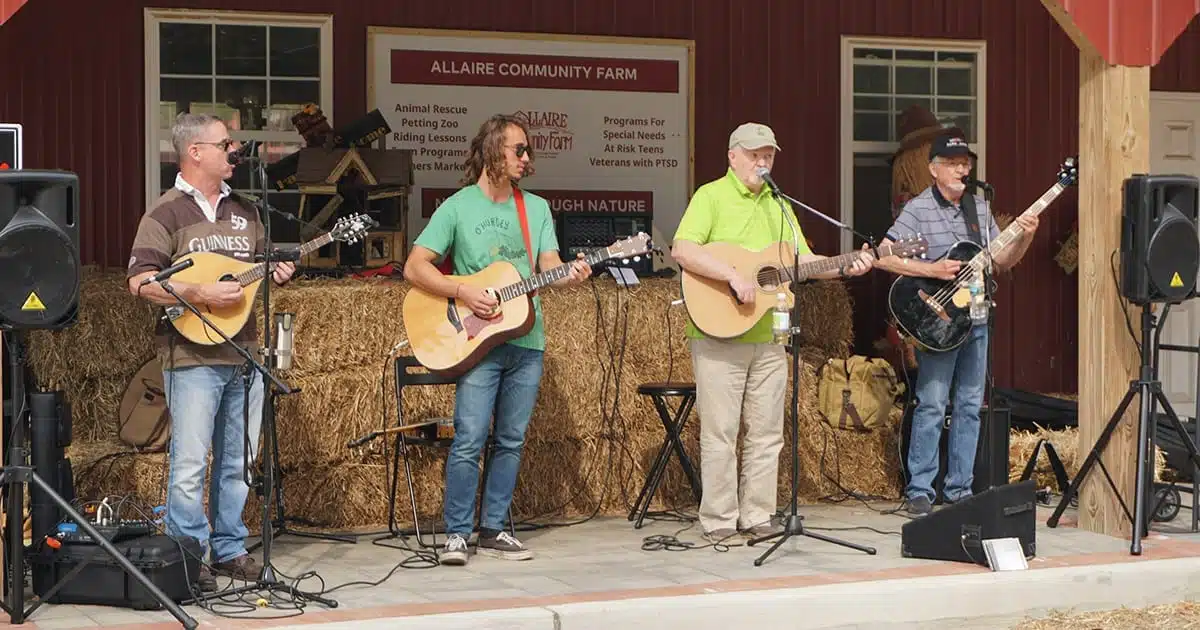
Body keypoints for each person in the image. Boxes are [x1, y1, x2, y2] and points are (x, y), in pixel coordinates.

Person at [403, 113, 592, 566]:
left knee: (511, 437)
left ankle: (492, 529)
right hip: (477, 341)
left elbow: (549, 266)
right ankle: (456, 533)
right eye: (519, 149)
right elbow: (415, 267)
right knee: (470, 436)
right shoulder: (458, 207)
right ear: (493, 152)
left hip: (527, 338)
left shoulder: (537, 209)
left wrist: (574, 276)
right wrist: (463, 290)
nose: (527, 158)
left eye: (528, 150)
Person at [670, 122, 874, 541]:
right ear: (732, 155)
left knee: (766, 432)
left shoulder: (779, 205)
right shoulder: (711, 196)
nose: (762, 162)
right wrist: (732, 276)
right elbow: (683, 250)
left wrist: (845, 264)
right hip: (718, 332)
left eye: (768, 156)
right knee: (721, 432)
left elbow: (803, 261)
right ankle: (720, 521)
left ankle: (757, 515)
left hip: (769, 334)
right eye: (754, 154)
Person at [126, 112, 295, 590]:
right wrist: (200, 293)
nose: (234, 152)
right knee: (190, 462)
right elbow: (139, 282)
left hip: (245, 353)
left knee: (238, 461)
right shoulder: (164, 213)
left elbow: (261, 267)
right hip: (192, 357)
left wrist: (276, 270)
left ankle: (229, 547)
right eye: (225, 145)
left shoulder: (246, 211)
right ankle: (187, 556)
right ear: (195, 151)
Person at [875, 134, 1039, 516]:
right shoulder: (917, 210)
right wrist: (930, 268)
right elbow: (884, 256)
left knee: (968, 404)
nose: (963, 169)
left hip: (977, 318)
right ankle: (920, 489)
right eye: (953, 162)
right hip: (938, 320)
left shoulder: (979, 209)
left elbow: (1003, 261)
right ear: (934, 170)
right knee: (932, 403)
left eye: (965, 162)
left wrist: (1025, 237)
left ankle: (959, 488)